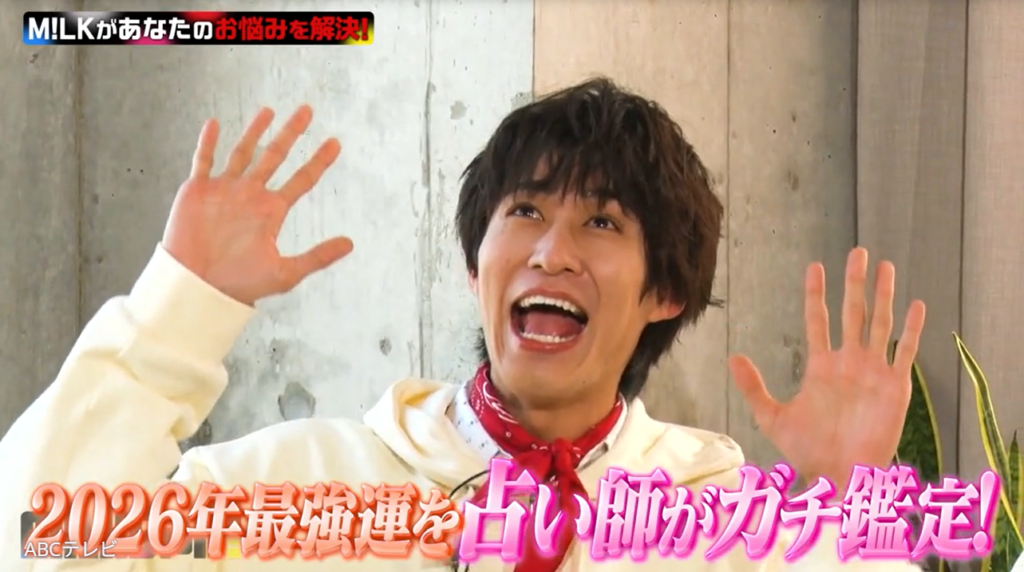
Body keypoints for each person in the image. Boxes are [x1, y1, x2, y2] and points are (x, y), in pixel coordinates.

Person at [0, 79, 929, 571]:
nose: (551, 252)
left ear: (667, 292)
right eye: (524, 212)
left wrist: (842, 509)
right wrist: (173, 316)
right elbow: (39, 547)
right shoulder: (299, 486)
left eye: (603, 223)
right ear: (474, 263)